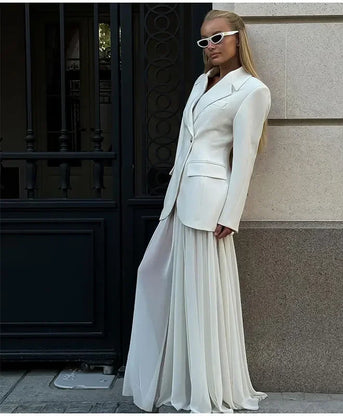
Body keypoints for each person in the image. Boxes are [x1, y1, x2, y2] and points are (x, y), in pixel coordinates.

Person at [122, 9, 271, 413]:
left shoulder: (252, 90)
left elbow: (244, 160)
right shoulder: (200, 82)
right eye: (204, 41)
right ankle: (176, 379)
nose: (211, 47)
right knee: (153, 275)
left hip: (210, 206)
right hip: (179, 198)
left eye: (218, 37)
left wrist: (231, 213)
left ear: (239, 37)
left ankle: (203, 387)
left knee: (203, 296)